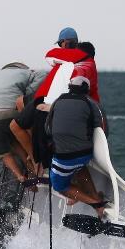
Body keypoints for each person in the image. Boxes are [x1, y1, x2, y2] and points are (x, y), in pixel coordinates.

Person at [10, 27, 94, 173]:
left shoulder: (66, 56)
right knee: (21, 103)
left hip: (48, 99)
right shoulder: (78, 59)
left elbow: (49, 55)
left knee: (15, 126)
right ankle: (36, 153)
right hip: (55, 99)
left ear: (63, 42)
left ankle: (35, 159)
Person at [45, 76, 109, 217]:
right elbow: (100, 129)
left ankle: (95, 204)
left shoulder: (57, 101)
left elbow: (47, 129)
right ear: (86, 90)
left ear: (70, 87)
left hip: (64, 158)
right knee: (79, 167)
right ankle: (93, 196)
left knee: (59, 186)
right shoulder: (91, 103)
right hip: (85, 155)